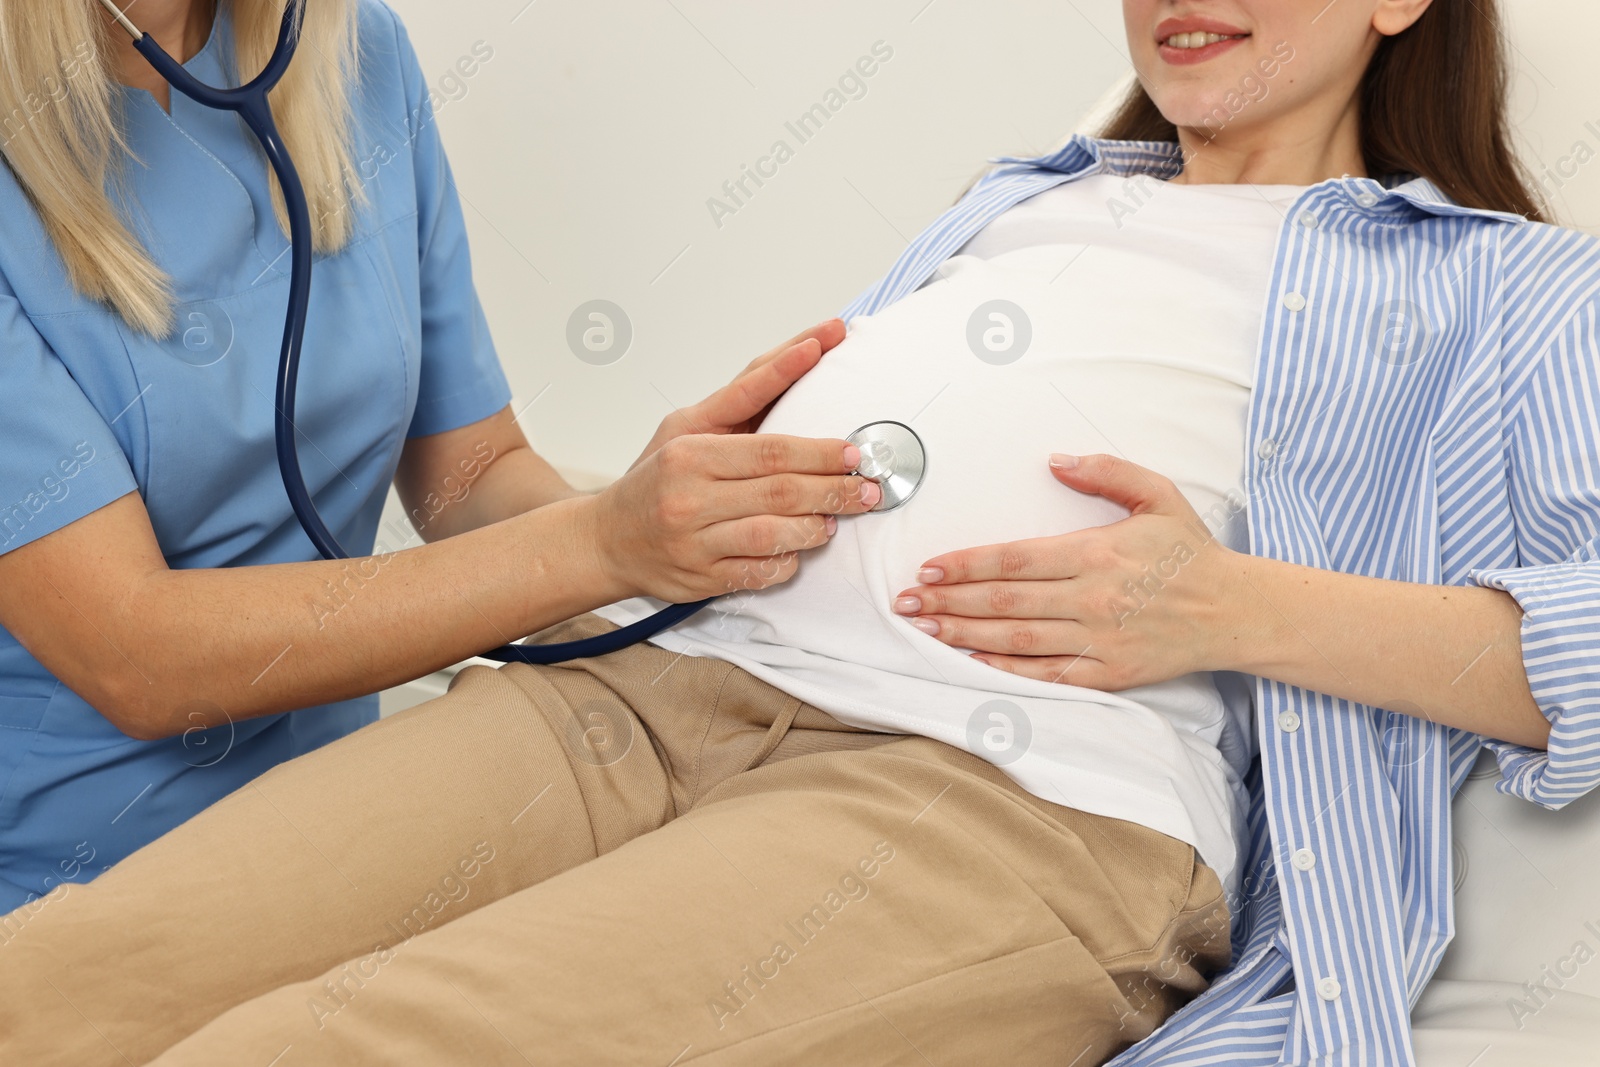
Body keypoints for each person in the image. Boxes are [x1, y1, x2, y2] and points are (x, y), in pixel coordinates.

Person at [5, 1, 1599, 1065]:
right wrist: (652, 529)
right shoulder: (1020, 200)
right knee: (54, 993)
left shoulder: (1504, 288)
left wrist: (1231, 606)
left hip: (1004, 788)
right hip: (640, 693)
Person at [0, 0, 875, 911]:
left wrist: (673, 511)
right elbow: (136, 656)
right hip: (86, 878)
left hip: (356, 811)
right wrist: (596, 544)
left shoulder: (352, 54)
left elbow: (474, 472)